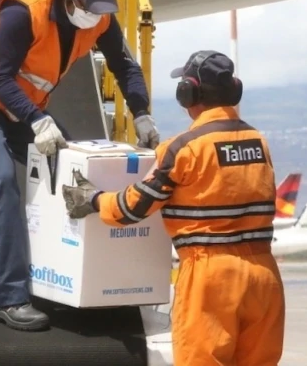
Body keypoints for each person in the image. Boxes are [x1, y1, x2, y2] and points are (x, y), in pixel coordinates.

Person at [0, 0, 160, 332]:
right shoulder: (23, 10)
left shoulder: (100, 15)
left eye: (100, 8)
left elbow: (124, 65)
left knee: (73, 176)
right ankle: (8, 299)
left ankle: (66, 280)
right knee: (2, 179)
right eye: (87, 6)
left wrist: (141, 112)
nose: (93, 15)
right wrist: (38, 120)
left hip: (21, 109)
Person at [62, 50, 286, 365]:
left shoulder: (183, 148)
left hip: (210, 276)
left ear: (188, 93)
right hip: (265, 277)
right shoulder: (257, 142)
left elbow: (133, 208)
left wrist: (94, 199)